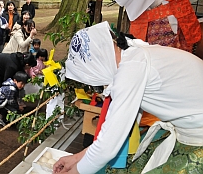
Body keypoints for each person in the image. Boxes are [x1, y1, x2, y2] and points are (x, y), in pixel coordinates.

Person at [53, 21, 203, 174]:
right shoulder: (133, 54)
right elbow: (111, 135)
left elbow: (106, 148)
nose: (101, 88)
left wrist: (75, 171)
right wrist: (77, 158)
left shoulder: (130, 71)